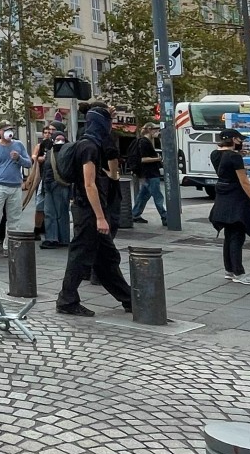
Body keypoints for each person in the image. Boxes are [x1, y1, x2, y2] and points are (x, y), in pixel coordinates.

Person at [57, 105, 136, 315]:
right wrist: (100, 217)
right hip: (88, 211)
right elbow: (89, 183)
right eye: (108, 122)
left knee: (106, 258)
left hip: (87, 209)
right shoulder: (90, 148)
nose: (110, 126)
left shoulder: (86, 143)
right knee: (80, 255)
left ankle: (129, 299)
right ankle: (66, 300)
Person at [204, 128, 250, 284]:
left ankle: (229, 270)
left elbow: (224, 170)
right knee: (237, 234)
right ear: (234, 139)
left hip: (223, 196)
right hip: (236, 197)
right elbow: (244, 182)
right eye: (240, 139)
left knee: (229, 234)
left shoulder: (215, 154)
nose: (241, 142)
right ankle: (238, 273)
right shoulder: (234, 157)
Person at [0, 126, 33, 257]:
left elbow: (28, 163)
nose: (9, 132)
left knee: (14, 218)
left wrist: (19, 158)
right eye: (6, 130)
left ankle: (10, 245)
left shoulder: (18, 145)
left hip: (15, 186)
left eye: (11, 130)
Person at [35, 125, 70, 250]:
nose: (60, 141)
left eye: (62, 139)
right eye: (57, 139)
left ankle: (63, 238)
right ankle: (52, 238)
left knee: (61, 213)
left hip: (61, 185)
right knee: (49, 213)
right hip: (49, 185)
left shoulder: (67, 152)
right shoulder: (49, 152)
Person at [126, 124, 166, 224]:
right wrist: (158, 159)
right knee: (158, 196)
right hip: (151, 173)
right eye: (156, 129)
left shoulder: (145, 141)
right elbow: (143, 159)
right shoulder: (144, 142)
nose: (158, 132)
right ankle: (165, 217)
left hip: (146, 173)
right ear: (150, 130)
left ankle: (135, 214)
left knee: (143, 195)